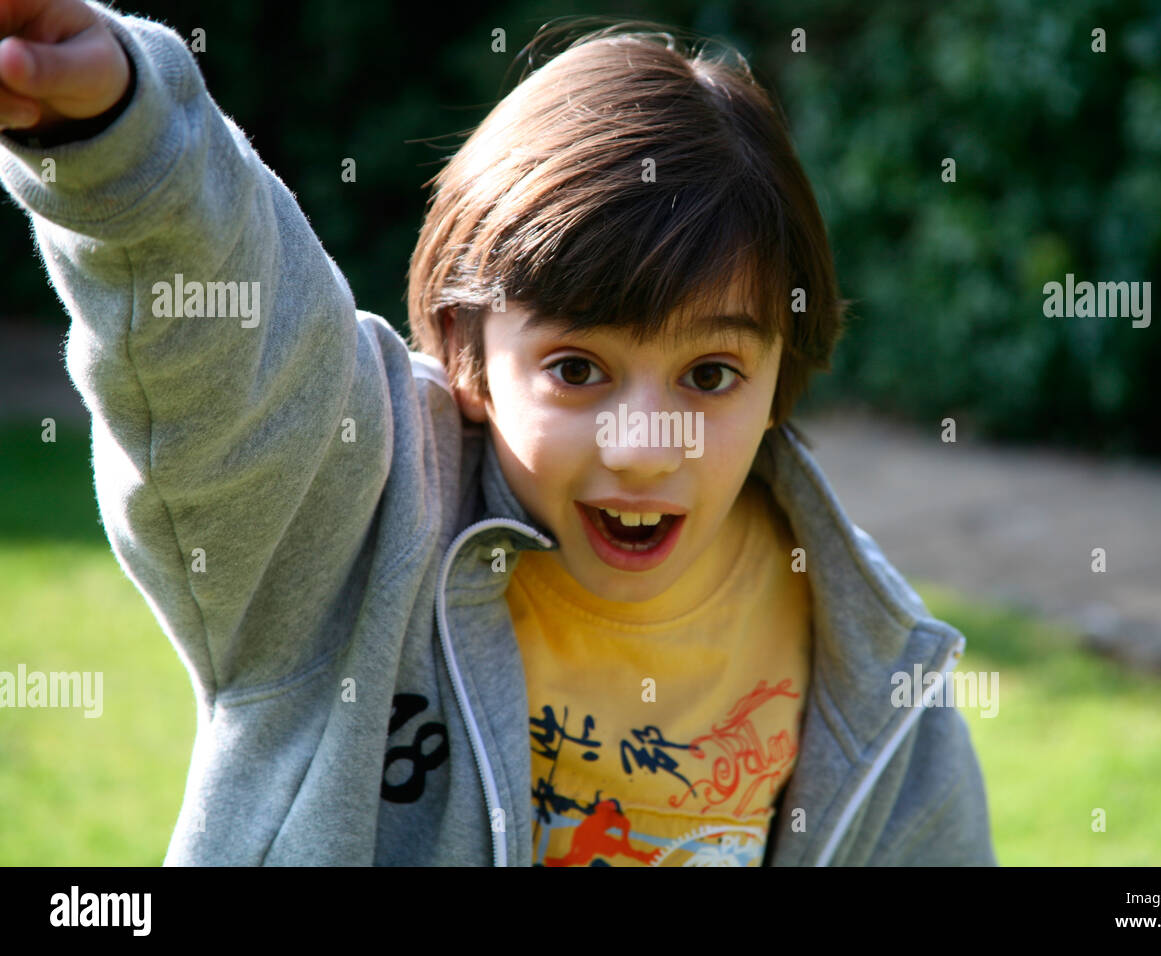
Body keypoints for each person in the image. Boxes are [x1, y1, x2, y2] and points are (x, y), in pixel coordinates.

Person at [0, 0, 996, 865]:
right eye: (576, 369)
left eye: (709, 374)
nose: (645, 444)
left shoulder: (868, 647)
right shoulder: (358, 519)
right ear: (468, 355)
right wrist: (127, 145)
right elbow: (240, 356)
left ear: (785, 369)